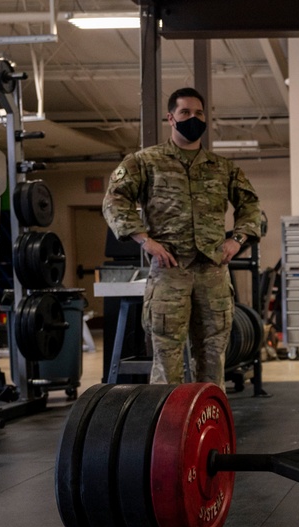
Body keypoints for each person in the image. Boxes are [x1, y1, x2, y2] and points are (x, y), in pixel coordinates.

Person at [103, 87, 261, 389]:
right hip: (169, 271)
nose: (193, 118)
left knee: (214, 356)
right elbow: (114, 200)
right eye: (185, 112)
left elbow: (251, 205)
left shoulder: (222, 167)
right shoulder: (145, 162)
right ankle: (166, 428)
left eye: (198, 113)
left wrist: (237, 239)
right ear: (171, 118)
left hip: (212, 272)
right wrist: (144, 240)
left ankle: (209, 426)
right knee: (166, 356)